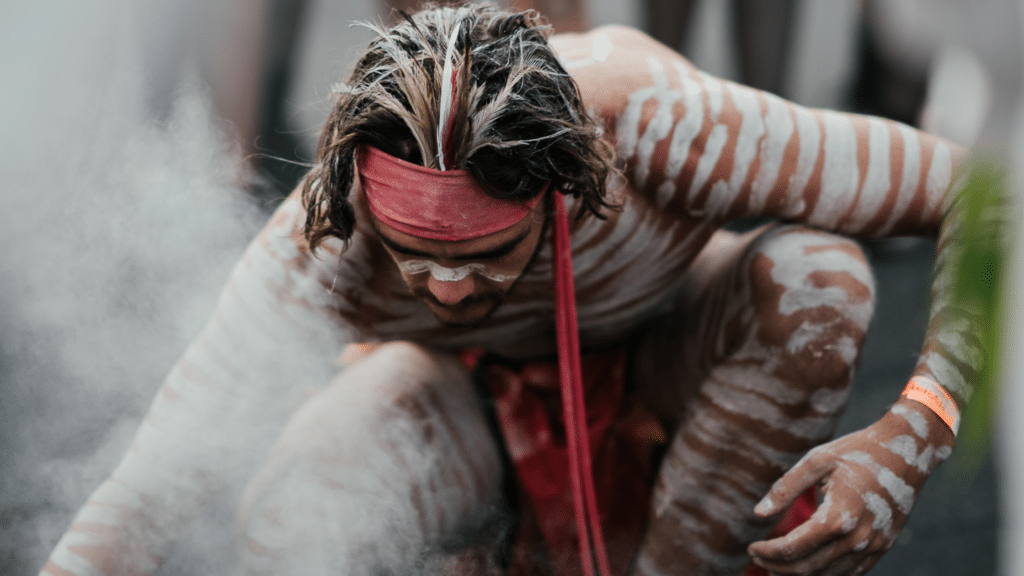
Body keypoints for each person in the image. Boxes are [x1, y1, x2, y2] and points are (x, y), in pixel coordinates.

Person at [41, 4, 974, 575]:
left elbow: (990, 197)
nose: (447, 289)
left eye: (485, 253)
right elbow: (142, 496)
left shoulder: (663, 127)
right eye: (415, 254)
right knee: (296, 523)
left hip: (671, 371)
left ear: (566, 187)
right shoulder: (325, 239)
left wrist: (911, 435)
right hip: (466, 408)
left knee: (818, 282)